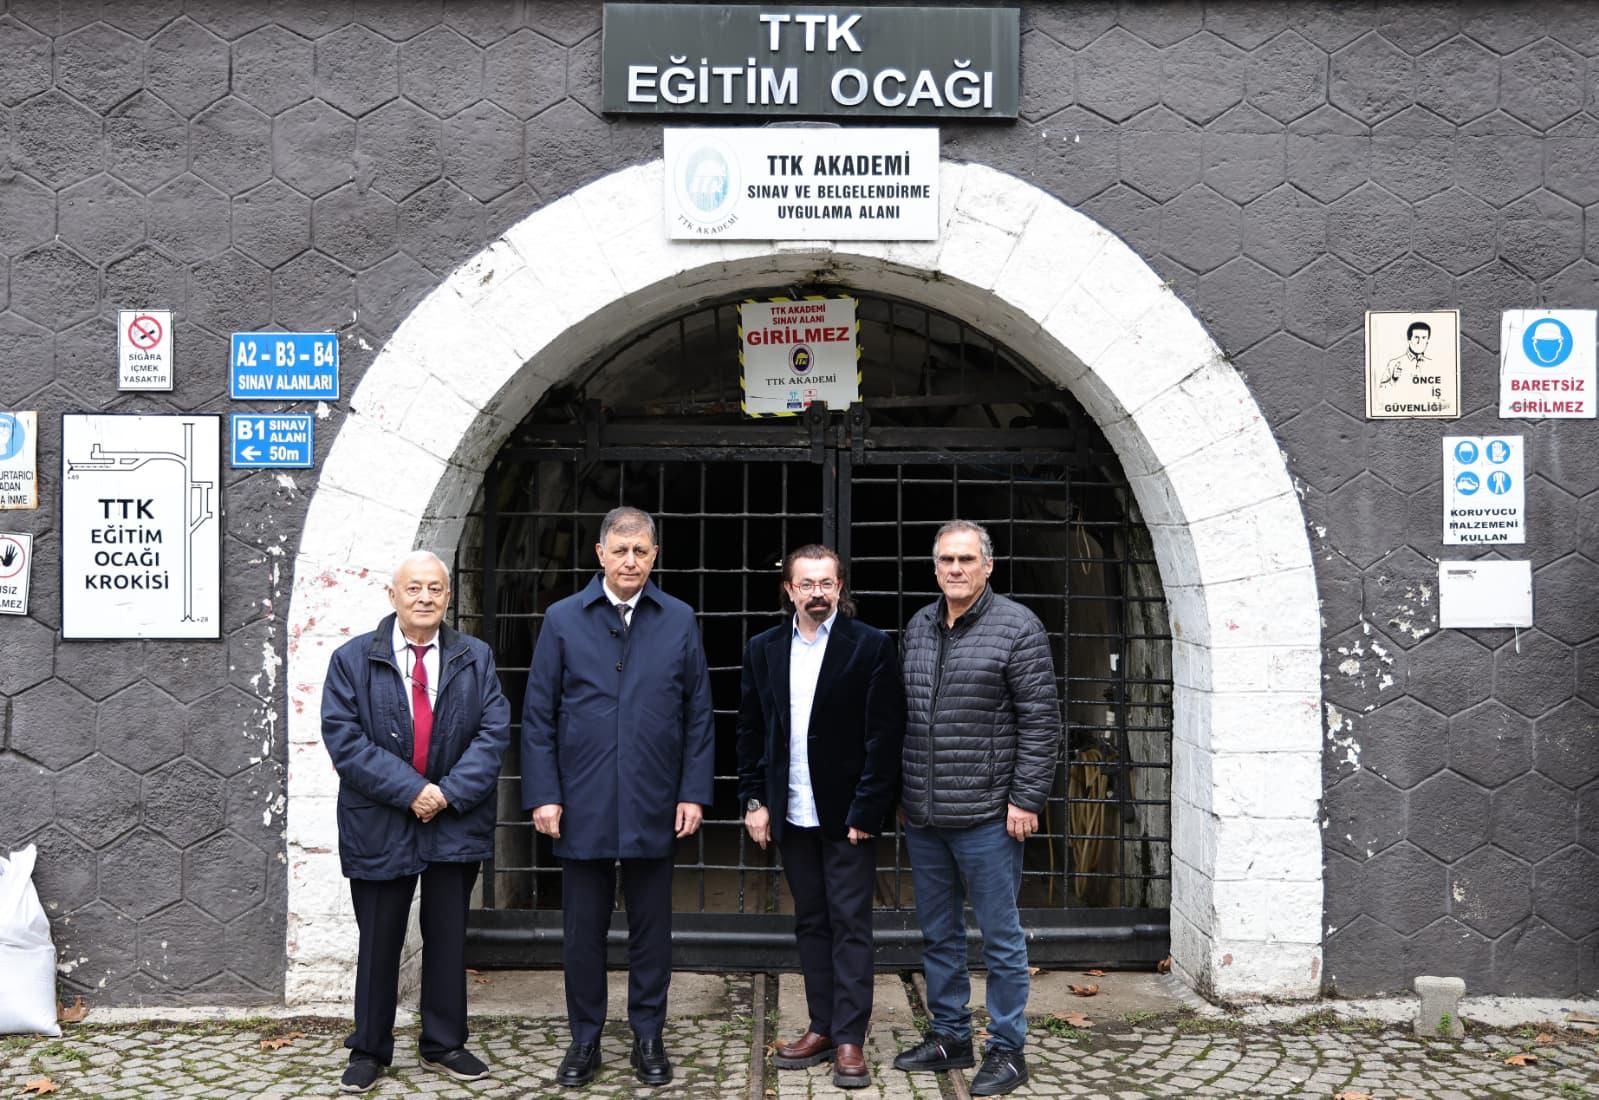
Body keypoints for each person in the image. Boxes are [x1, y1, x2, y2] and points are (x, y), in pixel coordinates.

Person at [522, 506, 715, 1089]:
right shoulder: (562, 619)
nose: (630, 561)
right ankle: (584, 1038)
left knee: (652, 928)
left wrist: (693, 792)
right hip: (581, 799)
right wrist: (545, 793)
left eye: (641, 551)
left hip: (654, 797)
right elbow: (538, 715)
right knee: (582, 930)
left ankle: (648, 1034)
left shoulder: (678, 618)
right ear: (600, 554)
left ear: (654, 556)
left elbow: (698, 714)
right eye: (620, 550)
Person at [320, 550, 511, 1094]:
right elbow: (345, 741)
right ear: (393, 595)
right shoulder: (352, 659)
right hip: (381, 819)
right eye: (414, 588)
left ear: (448, 596)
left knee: (447, 937)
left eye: (435, 588)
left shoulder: (475, 656)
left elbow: (493, 733)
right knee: (380, 938)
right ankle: (369, 1048)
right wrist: (412, 792)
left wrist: (446, 794)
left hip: (455, 817)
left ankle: (444, 1043)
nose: (425, 597)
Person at [893, 520, 1062, 1097]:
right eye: (946, 560)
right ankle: (950, 1035)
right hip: (926, 814)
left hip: (990, 814)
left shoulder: (1018, 627)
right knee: (939, 935)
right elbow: (905, 716)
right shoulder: (919, 626)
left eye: (967, 559)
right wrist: (903, 792)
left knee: (1000, 938)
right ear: (935, 567)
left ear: (988, 566)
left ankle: (1008, 1049)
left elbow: (1041, 722)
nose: (956, 569)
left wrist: (1026, 798)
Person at [736, 545, 905, 1090]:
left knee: (851, 924)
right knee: (811, 921)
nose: (816, 593)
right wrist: (754, 801)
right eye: (806, 584)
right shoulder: (763, 648)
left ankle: (850, 1038)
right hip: (791, 811)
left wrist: (868, 810)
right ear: (789, 589)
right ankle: (822, 1026)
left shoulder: (871, 646)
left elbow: (885, 736)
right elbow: (750, 731)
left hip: (847, 814)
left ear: (839, 588)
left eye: (826, 583)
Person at [1380, 320, 1431, 386]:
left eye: (1423, 338)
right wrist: (1393, 379)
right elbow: (1380, 390)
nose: (1420, 341)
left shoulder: (1432, 364)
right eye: (1416, 337)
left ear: (1427, 342)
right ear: (1409, 340)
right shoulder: (1394, 363)